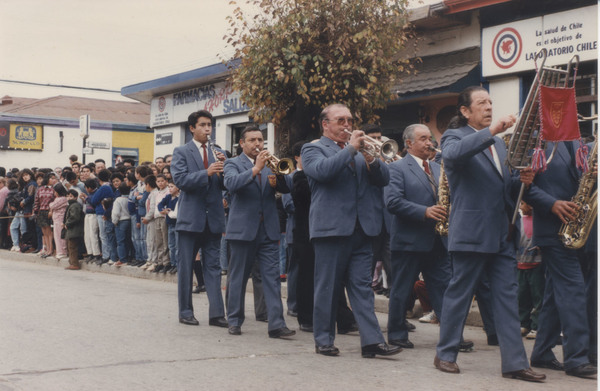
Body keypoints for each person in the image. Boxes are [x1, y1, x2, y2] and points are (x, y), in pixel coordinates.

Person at [434, 86, 544, 382]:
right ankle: (445, 354)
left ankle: (514, 363)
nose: (488, 107)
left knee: (507, 298)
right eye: (481, 103)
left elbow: (506, 189)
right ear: (465, 111)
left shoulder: (499, 144)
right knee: (459, 295)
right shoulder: (455, 137)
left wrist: (522, 181)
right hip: (470, 232)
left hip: (500, 233)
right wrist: (493, 131)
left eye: (490, 102)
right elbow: (455, 156)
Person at [301, 103, 400, 358]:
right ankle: (323, 339)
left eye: (350, 120)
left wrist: (371, 160)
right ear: (326, 124)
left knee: (362, 289)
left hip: (363, 229)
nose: (347, 125)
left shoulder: (359, 151)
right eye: (341, 120)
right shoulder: (313, 149)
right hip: (331, 229)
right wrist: (351, 151)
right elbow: (322, 173)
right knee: (327, 288)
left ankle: (371, 342)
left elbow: (384, 180)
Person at [525, 139, 597, 378]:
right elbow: (520, 184)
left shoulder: (576, 142)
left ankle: (542, 352)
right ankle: (577, 358)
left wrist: (592, 174)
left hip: (575, 226)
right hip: (552, 229)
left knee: (555, 294)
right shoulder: (535, 140)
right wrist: (551, 204)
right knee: (573, 290)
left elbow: (579, 180)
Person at [223, 124, 295, 338]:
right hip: (242, 230)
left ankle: (276, 324)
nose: (257, 144)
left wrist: (279, 175)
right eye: (252, 140)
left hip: (268, 230)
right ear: (242, 143)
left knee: (272, 278)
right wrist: (255, 168)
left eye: (260, 140)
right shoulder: (232, 163)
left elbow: (287, 187)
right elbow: (231, 184)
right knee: (238, 277)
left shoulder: (270, 163)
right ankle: (234, 320)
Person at [385, 124, 452, 349]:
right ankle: (396, 334)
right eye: (423, 139)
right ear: (409, 144)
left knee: (443, 288)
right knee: (402, 290)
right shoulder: (396, 168)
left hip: (436, 239)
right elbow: (393, 202)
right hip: (409, 240)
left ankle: (451, 337)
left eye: (430, 138)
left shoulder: (437, 167)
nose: (429, 142)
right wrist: (425, 211)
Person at [171, 110, 227, 327]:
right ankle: (185, 312)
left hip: (213, 218)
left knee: (213, 267)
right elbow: (181, 180)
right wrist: (207, 172)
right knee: (186, 268)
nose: (207, 129)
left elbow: (226, 185)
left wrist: (224, 169)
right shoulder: (181, 151)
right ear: (192, 128)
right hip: (190, 219)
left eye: (209, 125)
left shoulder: (219, 152)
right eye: (202, 125)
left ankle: (216, 314)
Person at [515, 201, 544, 340]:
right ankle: (523, 323)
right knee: (522, 296)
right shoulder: (519, 220)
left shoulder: (539, 221)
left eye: (524, 203)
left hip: (536, 265)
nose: (521, 206)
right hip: (520, 265)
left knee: (538, 297)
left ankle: (536, 325)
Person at [112, 182, 133, 266]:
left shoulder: (118, 200)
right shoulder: (131, 198)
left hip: (121, 221)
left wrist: (114, 221)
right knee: (128, 240)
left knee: (120, 241)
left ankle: (122, 259)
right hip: (129, 220)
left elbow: (116, 213)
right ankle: (130, 256)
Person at [63, 189, 84, 270]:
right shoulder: (71, 205)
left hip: (75, 230)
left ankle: (75, 264)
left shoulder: (75, 205)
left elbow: (74, 217)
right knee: (70, 246)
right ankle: (71, 262)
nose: (69, 198)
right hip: (71, 230)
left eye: (71, 196)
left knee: (72, 247)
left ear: (75, 197)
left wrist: (67, 223)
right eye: (67, 196)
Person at [48, 183, 69, 260]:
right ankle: (59, 251)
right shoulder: (57, 199)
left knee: (61, 236)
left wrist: (51, 205)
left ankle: (63, 252)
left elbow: (52, 205)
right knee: (56, 236)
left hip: (60, 219)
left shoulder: (63, 199)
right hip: (56, 219)